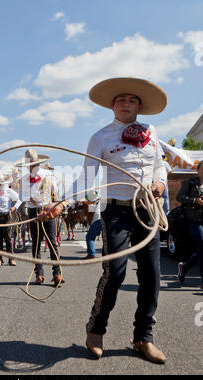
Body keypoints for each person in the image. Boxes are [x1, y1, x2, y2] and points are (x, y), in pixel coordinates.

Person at [40, 77, 168, 364]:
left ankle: (143, 337)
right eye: (121, 100)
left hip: (147, 209)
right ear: (112, 105)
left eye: (132, 100)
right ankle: (95, 330)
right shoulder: (100, 137)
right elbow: (86, 178)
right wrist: (62, 202)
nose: (126, 104)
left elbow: (160, 165)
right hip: (116, 211)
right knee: (116, 271)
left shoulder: (152, 131)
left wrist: (160, 182)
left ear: (140, 105)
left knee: (152, 274)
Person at [17, 149, 65, 286]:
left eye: (33, 163)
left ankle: (57, 273)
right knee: (36, 243)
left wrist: (54, 205)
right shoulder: (24, 178)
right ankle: (39, 274)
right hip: (33, 211)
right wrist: (29, 198)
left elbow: (56, 192)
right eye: (29, 164)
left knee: (52, 241)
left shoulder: (48, 174)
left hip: (47, 211)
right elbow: (21, 196)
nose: (31, 166)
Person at [176, 160, 203, 290]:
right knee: (202, 246)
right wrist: (195, 200)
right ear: (198, 170)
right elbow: (179, 197)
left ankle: (184, 267)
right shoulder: (190, 182)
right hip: (194, 219)